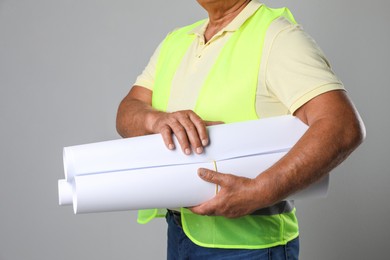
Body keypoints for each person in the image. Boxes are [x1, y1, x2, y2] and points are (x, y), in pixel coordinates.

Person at [116, 0, 365, 259]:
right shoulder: (176, 41)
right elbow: (127, 111)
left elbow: (342, 125)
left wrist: (261, 190)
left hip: (249, 247)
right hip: (180, 232)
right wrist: (154, 120)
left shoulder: (277, 37)